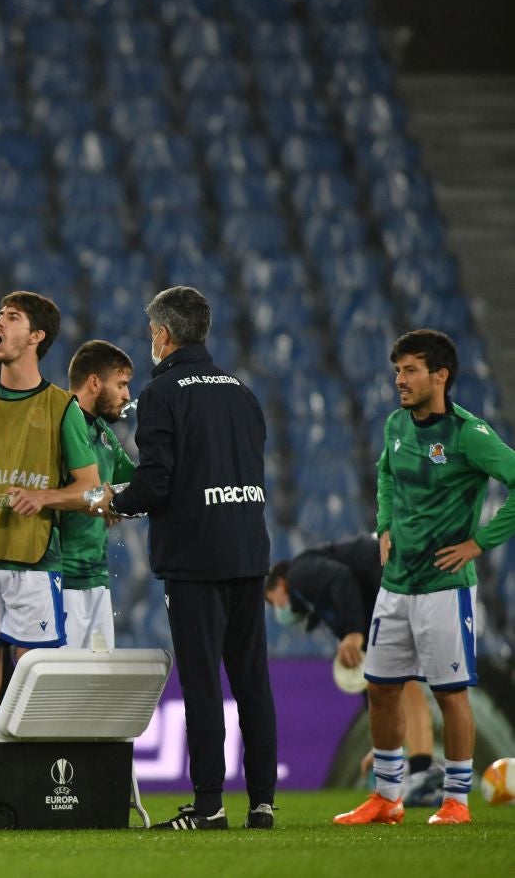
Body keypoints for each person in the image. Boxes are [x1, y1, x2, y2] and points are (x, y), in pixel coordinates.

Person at [95, 286, 277, 831]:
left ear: (162, 335)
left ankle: (209, 806)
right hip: (249, 550)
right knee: (253, 682)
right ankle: (263, 805)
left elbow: (156, 481)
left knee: (202, 686)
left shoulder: (161, 394)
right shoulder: (241, 392)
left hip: (196, 557)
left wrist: (116, 502)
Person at [334, 329, 515, 827]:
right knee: (381, 686)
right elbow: (386, 473)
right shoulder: (396, 424)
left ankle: (456, 800)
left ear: (441, 375)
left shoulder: (468, 435)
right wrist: (385, 523)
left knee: (449, 692)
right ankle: (386, 797)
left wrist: (481, 542)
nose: (400, 380)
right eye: (397, 371)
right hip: (396, 584)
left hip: (443, 587)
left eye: (410, 370)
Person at [0, 293, 99, 730]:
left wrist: (45, 497)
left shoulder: (59, 407)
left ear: (36, 336)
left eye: (12, 317)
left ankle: (38, 789)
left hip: (33, 564)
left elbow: (90, 488)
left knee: (33, 681)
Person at [265, 534, 441, 807]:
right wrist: (379, 741)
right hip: (394, 582)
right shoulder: (326, 606)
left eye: (273, 601)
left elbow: (341, 578)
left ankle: (420, 770)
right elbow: (367, 678)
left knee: (403, 684)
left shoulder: (300, 573)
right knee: (400, 683)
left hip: (389, 576)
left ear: (281, 583)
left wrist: (355, 633)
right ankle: (418, 769)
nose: (279, 610)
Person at [59, 340, 137, 652]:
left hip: (96, 579)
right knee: (60, 690)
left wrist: (118, 500)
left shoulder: (103, 433)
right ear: (95, 382)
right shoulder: (58, 423)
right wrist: (100, 499)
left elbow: (135, 485)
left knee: (95, 688)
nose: (127, 396)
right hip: (61, 579)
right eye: (121, 385)